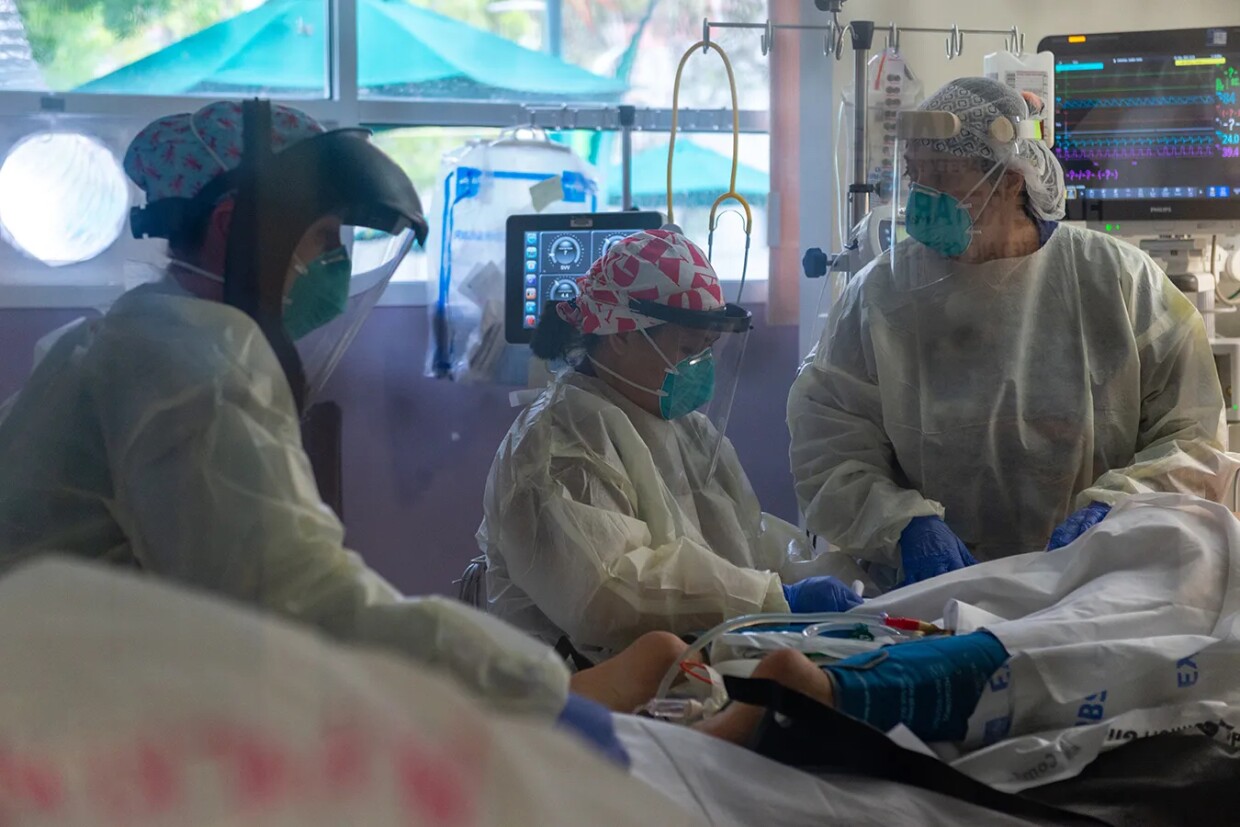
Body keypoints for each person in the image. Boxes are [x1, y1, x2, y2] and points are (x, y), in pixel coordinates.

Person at [0, 100, 679, 766]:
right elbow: (302, 601)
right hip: (68, 739)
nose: (336, 265)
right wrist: (541, 693)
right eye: (325, 238)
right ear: (237, 226)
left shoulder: (128, 333)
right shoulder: (195, 361)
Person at [787, 77, 1232, 588]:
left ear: (1011, 181)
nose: (923, 203)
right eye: (916, 179)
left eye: (945, 182)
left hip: (1099, 585)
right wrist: (902, 525)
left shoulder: (1120, 284)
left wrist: (1120, 511)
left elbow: (1195, 440)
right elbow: (828, 442)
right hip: (929, 595)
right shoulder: (881, 296)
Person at [479, 229, 866, 662]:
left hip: (681, 673)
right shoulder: (557, 443)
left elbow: (746, 541)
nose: (700, 365)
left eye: (707, 349)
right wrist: (770, 598)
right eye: (686, 348)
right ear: (620, 335)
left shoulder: (688, 431)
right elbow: (608, 589)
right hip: (582, 693)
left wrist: (850, 576)